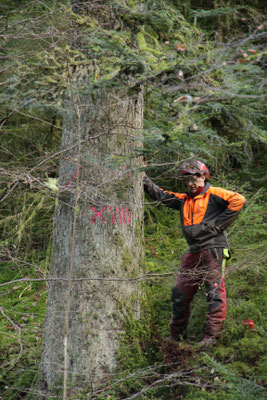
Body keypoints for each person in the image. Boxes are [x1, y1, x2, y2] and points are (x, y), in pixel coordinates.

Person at [143, 160, 245, 346]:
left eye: (194, 179)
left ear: (203, 177)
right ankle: (175, 338)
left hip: (214, 249)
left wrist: (217, 225)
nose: (191, 183)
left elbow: (239, 200)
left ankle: (211, 338)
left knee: (214, 292)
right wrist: (143, 178)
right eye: (187, 180)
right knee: (180, 293)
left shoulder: (213, 193)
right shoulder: (184, 200)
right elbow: (161, 195)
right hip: (194, 251)